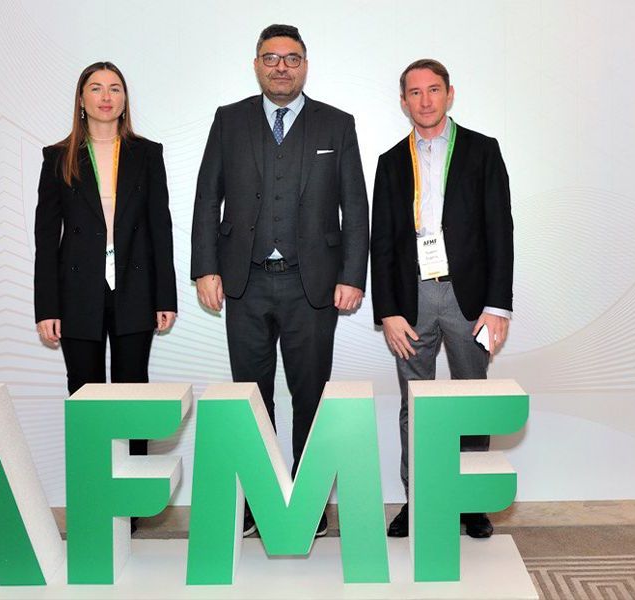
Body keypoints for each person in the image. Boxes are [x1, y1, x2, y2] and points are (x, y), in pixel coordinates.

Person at [190, 24, 369, 538]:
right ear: (257, 65)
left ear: (305, 65)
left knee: (310, 395)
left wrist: (352, 275)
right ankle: (260, 501)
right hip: (243, 282)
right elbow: (207, 197)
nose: (281, 67)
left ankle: (308, 504)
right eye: (271, 58)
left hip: (312, 285)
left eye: (291, 58)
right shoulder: (229, 120)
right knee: (252, 396)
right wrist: (205, 267)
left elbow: (355, 206)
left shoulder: (336, 124)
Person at [370, 59, 513, 539]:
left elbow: (500, 229)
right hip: (410, 299)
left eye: (433, 90)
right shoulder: (391, 161)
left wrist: (498, 306)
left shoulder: (482, 150)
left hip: (467, 298)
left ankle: (470, 501)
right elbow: (381, 242)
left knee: (471, 401)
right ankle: (419, 501)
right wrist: (388, 311)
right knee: (414, 405)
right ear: (403, 101)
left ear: (450, 94)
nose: (425, 100)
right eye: (415, 92)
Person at [34, 62, 177, 533]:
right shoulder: (58, 157)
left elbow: (160, 228)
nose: (106, 96)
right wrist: (46, 307)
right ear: (81, 99)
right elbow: (45, 238)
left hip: (135, 288)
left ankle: (131, 504)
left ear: (124, 99)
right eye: (95, 88)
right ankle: (93, 501)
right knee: (86, 395)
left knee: (133, 393)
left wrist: (166, 295)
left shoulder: (146, 154)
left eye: (115, 88)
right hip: (77, 292)